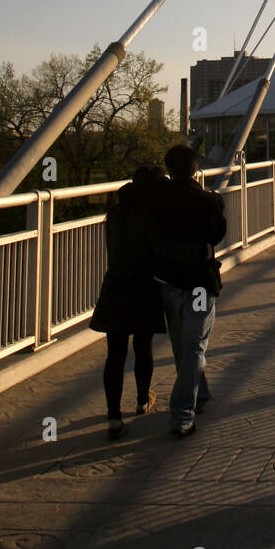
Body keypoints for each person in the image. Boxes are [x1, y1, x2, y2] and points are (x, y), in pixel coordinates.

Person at [146, 143, 227, 438]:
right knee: (194, 347)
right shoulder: (208, 201)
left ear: (169, 169)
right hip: (199, 283)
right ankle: (182, 414)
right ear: (195, 169)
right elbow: (217, 234)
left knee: (183, 346)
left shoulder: (155, 201)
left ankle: (200, 396)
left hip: (168, 282)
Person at [90, 164, 167, 441]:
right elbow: (159, 250)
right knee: (143, 346)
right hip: (144, 288)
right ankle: (141, 400)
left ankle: (113, 415)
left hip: (115, 287)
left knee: (115, 353)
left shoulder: (115, 213)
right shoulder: (152, 215)